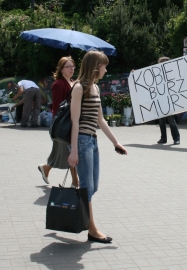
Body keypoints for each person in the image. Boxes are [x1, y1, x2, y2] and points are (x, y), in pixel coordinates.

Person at [68, 50, 128, 244]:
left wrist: (115, 142)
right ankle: (92, 229)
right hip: (83, 141)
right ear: (95, 66)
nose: (106, 69)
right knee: (87, 187)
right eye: (104, 65)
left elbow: (100, 120)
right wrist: (74, 151)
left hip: (93, 141)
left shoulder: (95, 87)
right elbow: (75, 121)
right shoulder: (79, 87)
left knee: (92, 186)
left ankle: (82, 218)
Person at [37, 57, 79, 187]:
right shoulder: (58, 84)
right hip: (63, 123)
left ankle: (46, 168)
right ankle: (75, 182)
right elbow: (57, 107)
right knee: (69, 151)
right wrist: (58, 124)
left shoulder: (73, 82)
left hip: (72, 121)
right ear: (61, 69)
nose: (72, 69)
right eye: (68, 66)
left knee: (63, 152)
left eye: (73, 66)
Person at [156, 56, 181, 145]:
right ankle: (163, 138)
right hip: (160, 100)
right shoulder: (156, 74)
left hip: (170, 100)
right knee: (161, 121)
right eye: (161, 63)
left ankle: (176, 138)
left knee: (171, 120)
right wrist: (134, 74)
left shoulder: (172, 74)